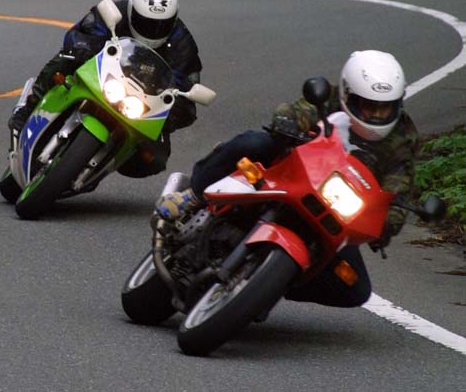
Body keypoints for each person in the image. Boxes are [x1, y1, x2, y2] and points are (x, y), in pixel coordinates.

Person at [156, 50, 420, 308]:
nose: (376, 114)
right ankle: (193, 195)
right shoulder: (328, 98)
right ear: (348, 95)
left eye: (385, 108)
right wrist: (287, 122)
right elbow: (295, 110)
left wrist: (388, 223)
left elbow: (400, 185)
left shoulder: (403, 137)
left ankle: (273, 281)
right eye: (369, 106)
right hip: (297, 170)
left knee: (355, 289)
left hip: (337, 207)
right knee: (254, 143)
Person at [8, 0, 202, 178]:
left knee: (154, 158)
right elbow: (78, 35)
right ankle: (28, 107)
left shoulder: (182, 42)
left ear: (173, 20)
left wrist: (178, 108)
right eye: (145, 22)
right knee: (65, 61)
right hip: (102, 76)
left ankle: (104, 164)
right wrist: (82, 47)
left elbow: (187, 85)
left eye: (162, 25)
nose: (153, 30)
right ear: (132, 10)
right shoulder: (112, 13)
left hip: (143, 102)